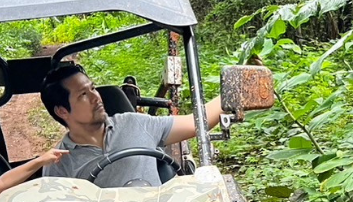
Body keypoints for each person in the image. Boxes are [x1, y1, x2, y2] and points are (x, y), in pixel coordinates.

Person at [39, 63, 222, 188]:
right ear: (62, 111)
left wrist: (234, 91)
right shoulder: (58, 164)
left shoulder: (134, 123)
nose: (96, 97)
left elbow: (194, 123)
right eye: (83, 95)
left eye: (93, 88)